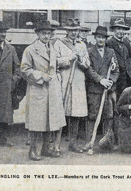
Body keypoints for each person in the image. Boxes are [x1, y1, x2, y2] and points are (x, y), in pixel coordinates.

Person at [21, 20, 66, 160]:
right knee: (36, 121)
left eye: (48, 33)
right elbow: (24, 69)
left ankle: (46, 148)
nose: (46, 36)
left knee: (50, 120)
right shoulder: (30, 50)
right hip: (38, 89)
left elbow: (54, 66)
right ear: (37, 33)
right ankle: (33, 150)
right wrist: (40, 75)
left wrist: (56, 75)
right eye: (43, 33)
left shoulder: (52, 48)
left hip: (52, 89)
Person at [54, 18, 90, 153]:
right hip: (64, 82)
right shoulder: (59, 44)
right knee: (61, 112)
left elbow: (87, 64)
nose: (74, 33)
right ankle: (56, 144)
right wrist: (68, 59)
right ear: (66, 31)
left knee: (76, 114)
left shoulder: (82, 45)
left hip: (78, 82)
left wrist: (81, 59)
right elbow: (55, 62)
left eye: (76, 31)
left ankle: (73, 143)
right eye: (71, 31)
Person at [82, 26, 119, 152]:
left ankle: (107, 142)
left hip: (107, 90)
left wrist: (110, 81)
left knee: (108, 116)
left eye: (103, 37)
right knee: (93, 115)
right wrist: (100, 80)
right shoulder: (89, 51)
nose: (101, 39)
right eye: (99, 37)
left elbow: (116, 71)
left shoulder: (111, 52)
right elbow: (88, 70)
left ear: (106, 39)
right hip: (95, 89)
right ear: (95, 38)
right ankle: (89, 142)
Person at [106, 18, 131, 97]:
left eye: (123, 29)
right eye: (118, 29)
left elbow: (129, 58)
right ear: (114, 30)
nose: (121, 31)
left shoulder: (126, 42)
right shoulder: (109, 42)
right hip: (116, 79)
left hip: (127, 78)